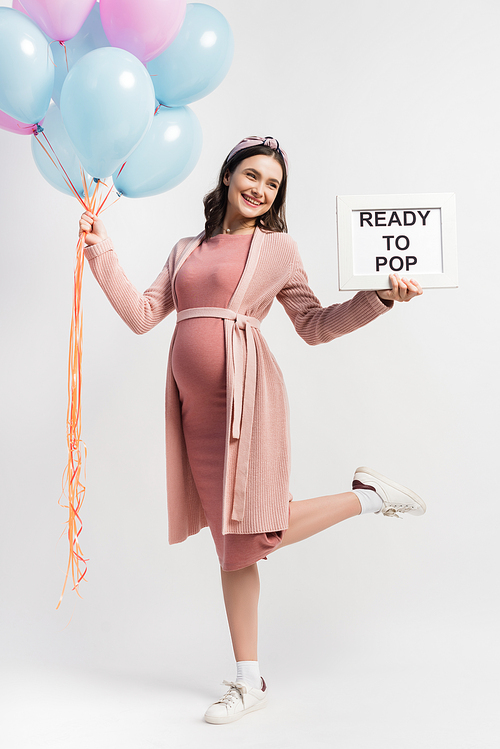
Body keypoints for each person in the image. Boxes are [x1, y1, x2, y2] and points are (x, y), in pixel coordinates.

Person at [79, 135, 425, 725]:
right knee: (232, 545)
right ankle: (249, 678)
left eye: (273, 184)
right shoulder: (186, 248)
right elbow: (142, 316)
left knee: (251, 534)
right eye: (253, 175)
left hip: (248, 402)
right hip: (194, 411)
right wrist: (100, 252)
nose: (261, 189)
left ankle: (367, 501)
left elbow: (314, 325)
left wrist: (379, 300)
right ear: (229, 174)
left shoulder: (278, 251)